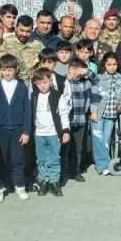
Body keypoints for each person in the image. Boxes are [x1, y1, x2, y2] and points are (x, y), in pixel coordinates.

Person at [0, 54, 31, 201]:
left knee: (17, 159)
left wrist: (26, 131)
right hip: (0, 129)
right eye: (4, 69)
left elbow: (27, 111)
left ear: (16, 70)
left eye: (10, 69)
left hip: (18, 128)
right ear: (0, 70)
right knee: (0, 158)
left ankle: (20, 185)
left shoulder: (21, 87)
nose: (7, 72)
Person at [90, 52, 121, 176]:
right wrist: (93, 111)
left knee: (106, 140)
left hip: (112, 114)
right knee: (98, 138)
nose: (112, 67)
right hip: (99, 113)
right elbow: (93, 96)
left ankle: (105, 163)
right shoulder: (99, 78)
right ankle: (103, 165)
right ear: (105, 64)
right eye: (109, 64)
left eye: (114, 64)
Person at [31, 67, 71, 197]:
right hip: (39, 133)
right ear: (35, 83)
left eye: (45, 82)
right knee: (41, 159)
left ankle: (54, 181)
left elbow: (64, 114)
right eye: (40, 83)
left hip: (54, 133)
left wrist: (65, 131)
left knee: (54, 158)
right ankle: (43, 180)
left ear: (50, 80)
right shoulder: (34, 95)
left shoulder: (57, 96)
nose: (43, 86)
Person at [65, 58, 95, 183]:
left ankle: (75, 171)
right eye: (74, 70)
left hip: (80, 120)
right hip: (66, 121)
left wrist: (86, 72)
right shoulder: (64, 82)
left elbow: (99, 81)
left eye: (79, 71)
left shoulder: (84, 82)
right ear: (70, 69)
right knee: (65, 147)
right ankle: (63, 171)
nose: (77, 74)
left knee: (78, 147)